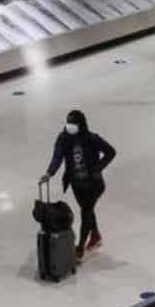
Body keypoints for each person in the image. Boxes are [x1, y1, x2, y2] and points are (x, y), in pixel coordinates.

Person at [40, 110, 117, 262]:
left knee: (86, 211)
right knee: (87, 210)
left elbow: (111, 152)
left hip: (94, 185)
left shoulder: (92, 138)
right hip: (76, 184)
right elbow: (57, 157)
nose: (69, 126)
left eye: (73, 123)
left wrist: (98, 168)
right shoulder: (63, 138)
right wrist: (49, 173)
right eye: (68, 122)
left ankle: (80, 247)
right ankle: (95, 236)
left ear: (81, 125)